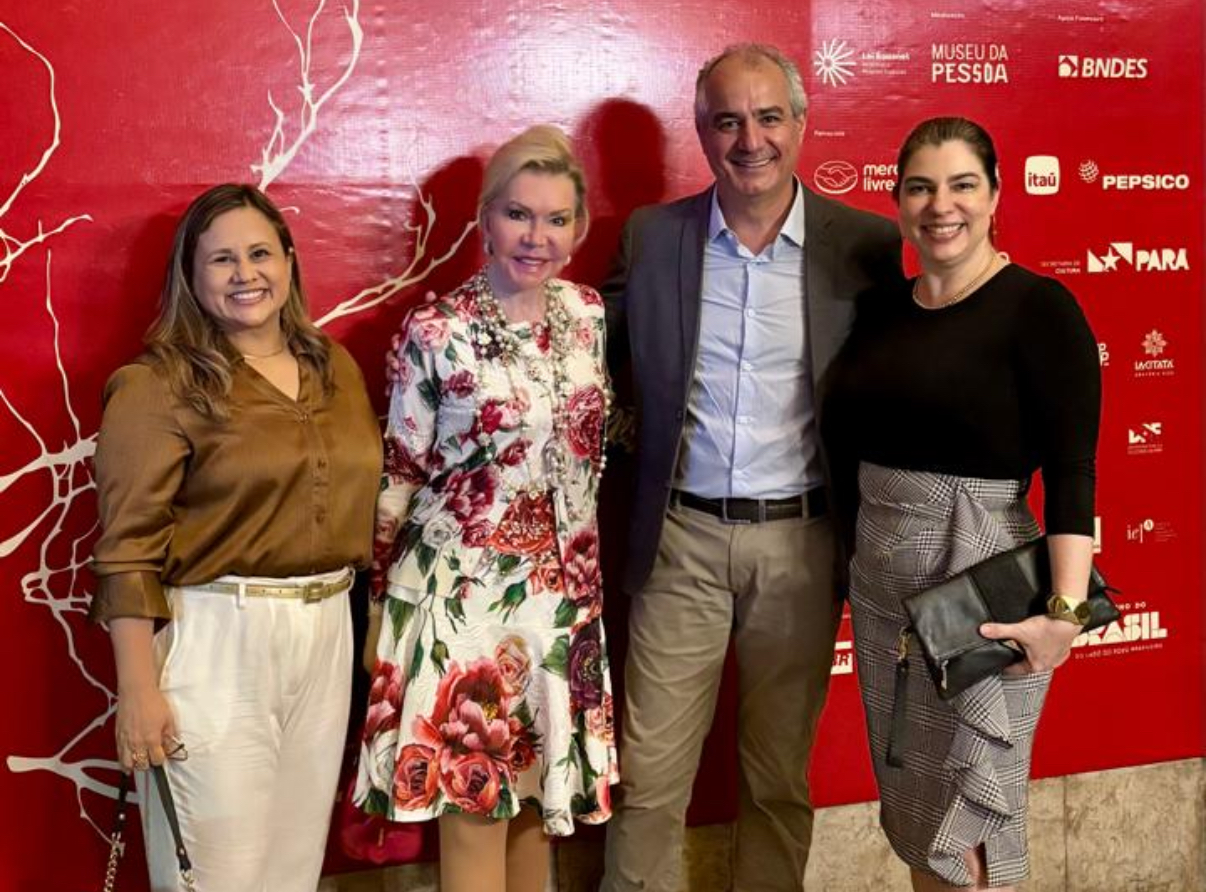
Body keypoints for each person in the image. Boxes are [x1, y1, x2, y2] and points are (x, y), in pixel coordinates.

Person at [600, 44, 903, 892]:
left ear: (802, 124)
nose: (751, 139)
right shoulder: (653, 238)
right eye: (728, 119)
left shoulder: (866, 247)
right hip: (680, 542)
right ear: (699, 131)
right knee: (651, 783)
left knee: (775, 783)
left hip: (804, 547)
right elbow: (587, 363)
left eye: (770, 116)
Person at [821, 116, 1101, 891]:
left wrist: (1065, 616)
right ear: (899, 201)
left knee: (969, 811)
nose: (941, 205)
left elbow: (1074, 473)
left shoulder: (1040, 309)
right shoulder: (881, 310)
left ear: (995, 196)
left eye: (961, 185)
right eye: (921, 187)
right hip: (884, 594)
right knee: (918, 816)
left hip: (979, 589)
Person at [89, 183, 382, 891]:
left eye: (259, 253)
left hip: (326, 633)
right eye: (221, 259)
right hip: (219, 635)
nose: (245, 273)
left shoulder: (332, 367)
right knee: (215, 874)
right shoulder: (156, 386)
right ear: (190, 277)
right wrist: (138, 689)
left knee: (292, 870)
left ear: (289, 261)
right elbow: (127, 551)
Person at [356, 125, 617, 892]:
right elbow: (400, 471)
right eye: (518, 214)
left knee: (540, 809)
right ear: (485, 220)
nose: (536, 236)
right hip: (462, 597)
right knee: (476, 812)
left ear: (579, 229)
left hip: (564, 598)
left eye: (556, 218)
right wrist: (379, 601)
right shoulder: (435, 331)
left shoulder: (589, 315)